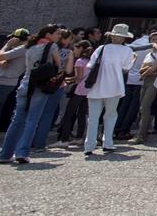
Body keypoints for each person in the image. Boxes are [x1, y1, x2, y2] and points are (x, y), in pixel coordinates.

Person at [0, 24, 62, 164]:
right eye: (57, 33)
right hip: (40, 85)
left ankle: (5, 154)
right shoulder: (52, 47)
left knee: (17, 119)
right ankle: (22, 152)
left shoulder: (28, 46)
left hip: (25, 83)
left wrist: (7, 46)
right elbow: (58, 65)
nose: (59, 36)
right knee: (32, 119)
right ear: (48, 34)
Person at [83, 24, 139, 157]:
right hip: (114, 85)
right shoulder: (127, 51)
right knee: (111, 115)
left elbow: (90, 65)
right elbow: (126, 67)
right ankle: (107, 142)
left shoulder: (101, 48)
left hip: (97, 85)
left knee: (93, 117)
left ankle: (89, 145)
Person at [114, 29, 151, 141]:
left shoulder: (132, 45)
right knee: (134, 106)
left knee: (123, 105)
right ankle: (124, 130)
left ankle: (116, 128)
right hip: (141, 79)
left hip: (129, 77)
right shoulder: (150, 46)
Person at [131, 30, 157, 144]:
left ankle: (141, 135)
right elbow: (144, 66)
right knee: (143, 107)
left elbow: (154, 67)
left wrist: (144, 72)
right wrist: (146, 71)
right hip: (146, 80)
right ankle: (143, 132)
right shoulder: (148, 53)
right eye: (153, 39)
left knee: (146, 106)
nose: (155, 41)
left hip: (155, 80)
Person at [0, 29, 30, 139]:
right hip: (8, 82)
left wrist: (7, 45)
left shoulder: (21, 49)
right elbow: (2, 63)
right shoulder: (23, 50)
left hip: (2, 82)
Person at [57, 40, 92, 145]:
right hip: (88, 90)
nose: (74, 51)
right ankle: (80, 137)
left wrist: (68, 80)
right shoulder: (91, 62)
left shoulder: (80, 61)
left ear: (81, 48)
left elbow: (79, 77)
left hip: (78, 89)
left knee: (69, 113)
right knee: (82, 114)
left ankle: (64, 139)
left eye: (75, 48)